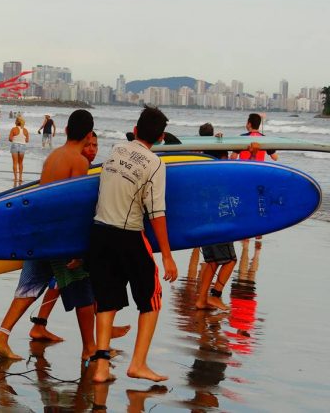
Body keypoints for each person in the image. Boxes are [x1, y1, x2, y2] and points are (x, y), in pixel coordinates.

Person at [0, 109, 95, 361]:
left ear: (67, 130)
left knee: (29, 286)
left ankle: (1, 337)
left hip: (39, 232)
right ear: (89, 134)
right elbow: (73, 206)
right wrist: (78, 249)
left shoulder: (53, 156)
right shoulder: (79, 161)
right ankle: (90, 349)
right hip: (59, 237)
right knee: (83, 289)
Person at [88, 105, 178, 383]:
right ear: (161, 138)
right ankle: (137, 364)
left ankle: (102, 368)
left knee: (106, 299)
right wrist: (167, 256)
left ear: (135, 130)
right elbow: (157, 213)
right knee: (152, 299)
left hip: (99, 232)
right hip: (128, 235)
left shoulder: (116, 149)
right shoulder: (155, 165)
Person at [29, 131, 131, 345]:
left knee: (62, 281)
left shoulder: (80, 167)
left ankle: (39, 325)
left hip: (57, 237)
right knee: (77, 284)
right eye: (89, 145)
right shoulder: (78, 167)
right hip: (65, 241)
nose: (93, 149)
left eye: (96, 145)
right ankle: (91, 345)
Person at [195, 122, 237, 310]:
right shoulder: (217, 159)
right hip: (217, 217)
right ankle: (215, 294)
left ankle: (201, 300)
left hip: (204, 216)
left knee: (211, 261)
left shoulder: (196, 158)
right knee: (230, 259)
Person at [8, 116, 29, 184]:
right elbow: (27, 140)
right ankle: (20, 177)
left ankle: (15, 178)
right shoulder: (25, 130)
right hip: (22, 146)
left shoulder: (13, 129)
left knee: (15, 163)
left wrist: (15, 139)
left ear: (17, 122)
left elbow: (10, 139)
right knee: (20, 163)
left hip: (15, 145)